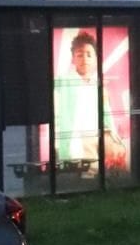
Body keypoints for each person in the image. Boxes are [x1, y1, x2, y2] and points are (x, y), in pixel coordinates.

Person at [53, 31, 128, 170]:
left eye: (89, 54)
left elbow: (107, 116)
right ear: (73, 59)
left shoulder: (98, 85)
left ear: (96, 58)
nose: (84, 59)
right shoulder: (63, 82)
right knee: (77, 174)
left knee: (95, 171)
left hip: (95, 139)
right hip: (73, 140)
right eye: (79, 55)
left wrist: (112, 136)